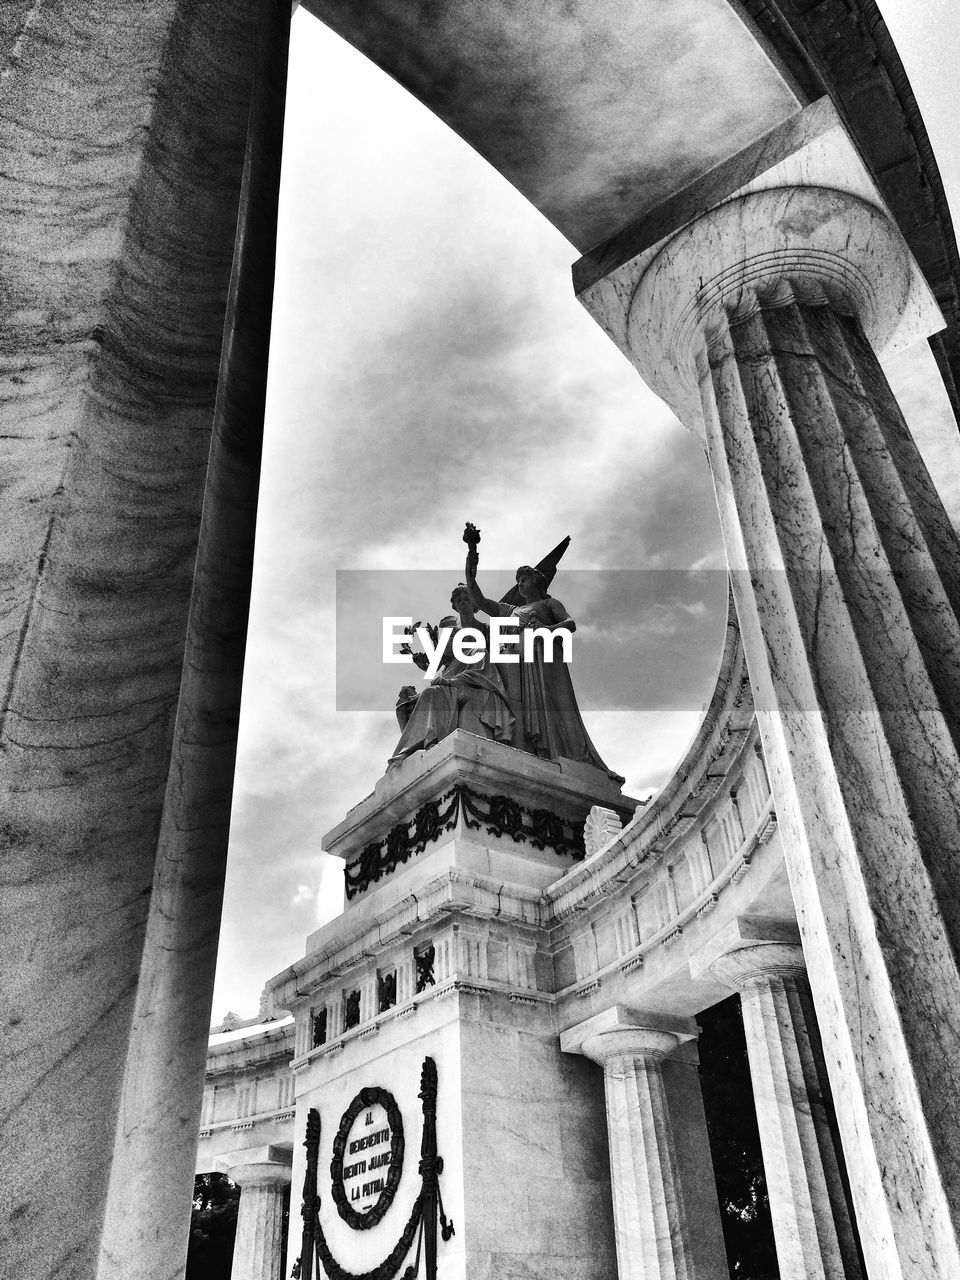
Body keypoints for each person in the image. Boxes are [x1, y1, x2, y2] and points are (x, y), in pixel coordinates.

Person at [464, 548, 621, 779]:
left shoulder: (549, 603)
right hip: (518, 664)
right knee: (526, 707)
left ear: (536, 582)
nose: (519, 585)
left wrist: (546, 630)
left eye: (523, 580)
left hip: (543, 658)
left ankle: (565, 753)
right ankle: (538, 751)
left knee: (553, 704)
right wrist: (471, 564)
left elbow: (570, 624)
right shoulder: (510, 610)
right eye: (517, 581)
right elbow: (479, 599)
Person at [387, 585, 515, 768]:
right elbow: (437, 669)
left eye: (466, 599)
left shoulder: (483, 638)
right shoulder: (452, 647)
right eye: (459, 601)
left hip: (481, 683)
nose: (463, 603)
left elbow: (491, 664)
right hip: (454, 680)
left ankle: (425, 745)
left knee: (437, 690)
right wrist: (420, 674)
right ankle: (411, 753)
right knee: (410, 704)